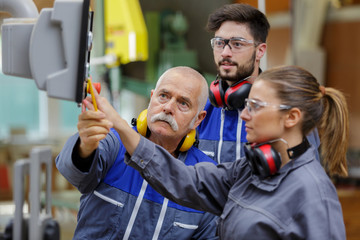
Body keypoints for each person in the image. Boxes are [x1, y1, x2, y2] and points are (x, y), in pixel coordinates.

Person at [112, 65, 348, 239]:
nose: (244, 115)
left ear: (292, 117)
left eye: (255, 107)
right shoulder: (250, 170)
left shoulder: (314, 195)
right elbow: (187, 180)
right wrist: (122, 128)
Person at [55, 66, 219, 239]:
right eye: (163, 96)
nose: (168, 107)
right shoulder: (113, 142)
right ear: (151, 98)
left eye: (183, 103)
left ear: (198, 119)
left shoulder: (204, 177)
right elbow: (72, 172)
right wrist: (86, 146)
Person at [197, 3, 320, 163]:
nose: (225, 53)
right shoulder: (200, 111)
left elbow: (304, 179)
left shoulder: (287, 114)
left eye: (237, 44)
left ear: (260, 50)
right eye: (220, 43)